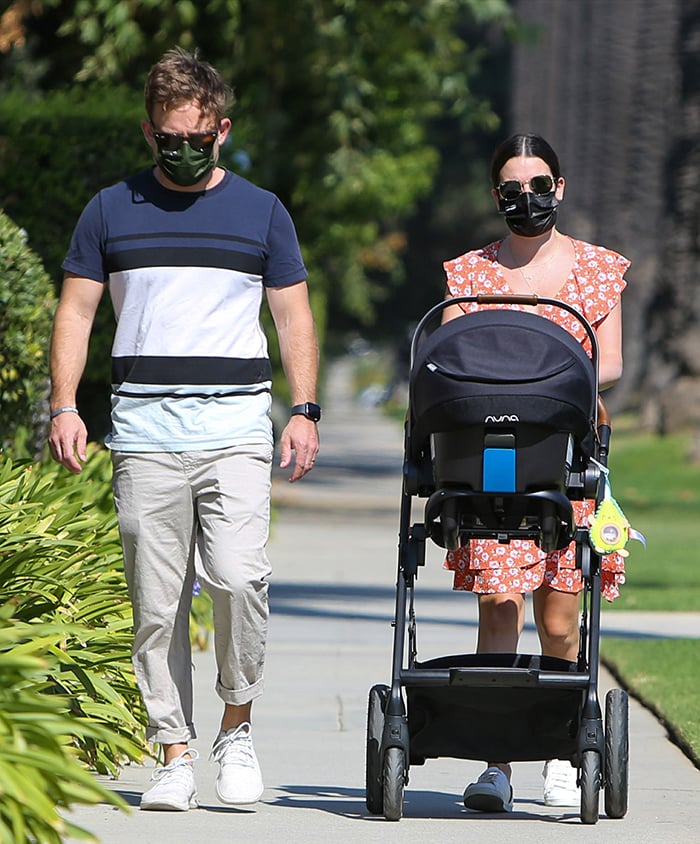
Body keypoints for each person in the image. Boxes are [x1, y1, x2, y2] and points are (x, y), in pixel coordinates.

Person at [48, 47, 320, 812]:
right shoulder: (109, 210)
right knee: (156, 603)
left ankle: (236, 726)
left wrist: (303, 409)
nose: (182, 149)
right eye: (168, 136)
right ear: (147, 131)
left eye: (196, 137)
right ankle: (174, 749)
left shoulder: (262, 212)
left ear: (222, 131)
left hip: (235, 429)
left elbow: (291, 313)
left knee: (239, 577)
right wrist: (64, 404)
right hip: (143, 434)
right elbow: (77, 310)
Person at [441, 133, 628, 813]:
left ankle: (558, 746)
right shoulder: (468, 274)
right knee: (499, 603)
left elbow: (607, 363)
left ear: (561, 187)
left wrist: (540, 373)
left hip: (567, 452)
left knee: (557, 619)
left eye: (540, 185)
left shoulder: (598, 271)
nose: (528, 199)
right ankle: (498, 761)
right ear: (497, 196)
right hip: (492, 457)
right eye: (514, 189)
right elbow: (456, 354)